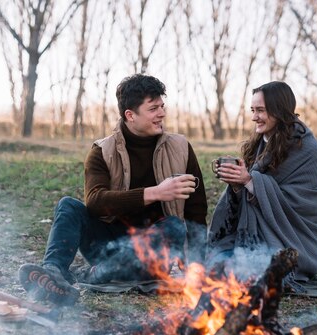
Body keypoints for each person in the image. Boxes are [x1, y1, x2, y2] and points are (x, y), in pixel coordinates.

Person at [19, 74, 208, 305]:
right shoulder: (102, 151)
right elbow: (96, 202)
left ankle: (92, 276)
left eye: (162, 106)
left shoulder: (180, 147)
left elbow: (196, 211)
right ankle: (53, 274)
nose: (162, 114)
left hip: (152, 251)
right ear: (130, 115)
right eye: (153, 109)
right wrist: (156, 192)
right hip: (106, 244)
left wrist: (197, 267)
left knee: (174, 226)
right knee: (68, 205)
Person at [207, 81, 317, 291]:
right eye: (253, 110)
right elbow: (251, 191)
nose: (254, 117)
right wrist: (237, 183)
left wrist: (249, 181)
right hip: (255, 235)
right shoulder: (262, 142)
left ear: (279, 110)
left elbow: (300, 203)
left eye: (260, 110)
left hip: (291, 241)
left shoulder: (307, 148)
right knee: (216, 268)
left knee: (250, 277)